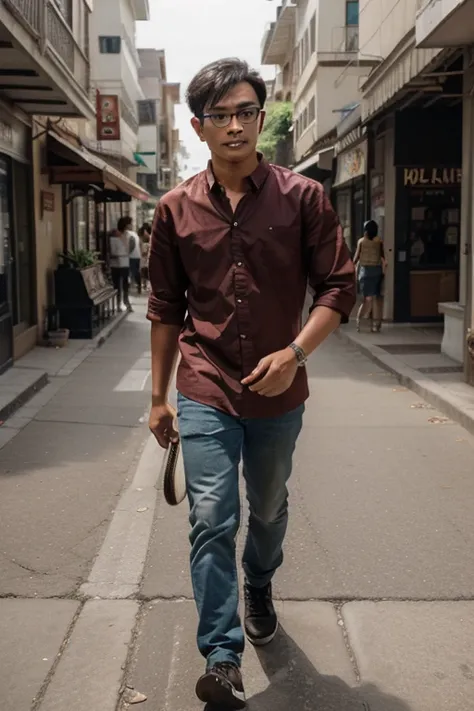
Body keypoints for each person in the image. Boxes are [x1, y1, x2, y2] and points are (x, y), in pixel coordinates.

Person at [147, 57, 356, 709]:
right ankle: (222, 652)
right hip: (205, 384)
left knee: (265, 506)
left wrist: (296, 352)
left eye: (246, 112)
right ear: (198, 127)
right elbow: (164, 307)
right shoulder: (173, 210)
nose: (235, 125)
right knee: (212, 514)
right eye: (221, 115)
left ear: (260, 120)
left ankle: (259, 582)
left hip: (277, 391)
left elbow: (339, 285)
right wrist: (158, 396)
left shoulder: (304, 198)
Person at [353, 219, 386, 333]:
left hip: (365, 272)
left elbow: (356, 258)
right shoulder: (379, 242)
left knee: (367, 299)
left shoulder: (361, 242)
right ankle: (376, 324)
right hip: (377, 272)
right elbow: (383, 259)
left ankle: (359, 321)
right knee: (377, 299)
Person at [109, 217, 133, 313]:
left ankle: (126, 302)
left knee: (125, 284)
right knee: (117, 285)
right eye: (130, 223)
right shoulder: (114, 236)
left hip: (125, 263)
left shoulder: (128, 235)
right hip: (115, 264)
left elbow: (129, 249)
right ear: (125, 225)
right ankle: (118, 304)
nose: (131, 225)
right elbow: (113, 250)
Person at [123, 217, 142, 295]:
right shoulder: (134, 233)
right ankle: (138, 286)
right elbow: (140, 243)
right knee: (136, 272)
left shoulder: (127, 233)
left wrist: (127, 253)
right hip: (137, 255)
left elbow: (131, 244)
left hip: (131, 256)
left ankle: (130, 287)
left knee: (131, 272)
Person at [139, 222, 151, 292]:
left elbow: (144, 253)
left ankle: (144, 285)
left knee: (144, 272)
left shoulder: (145, 241)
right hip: (145, 260)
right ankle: (145, 285)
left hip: (144, 260)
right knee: (145, 272)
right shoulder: (147, 239)